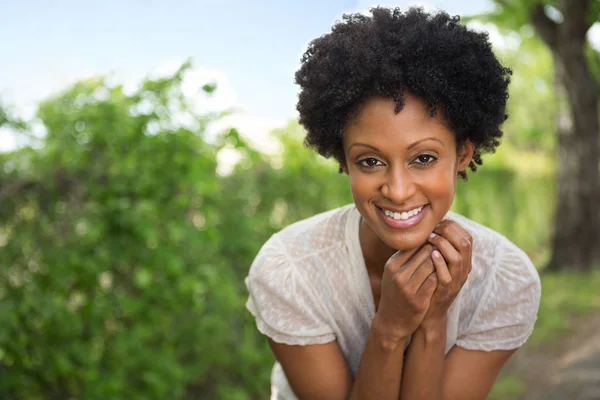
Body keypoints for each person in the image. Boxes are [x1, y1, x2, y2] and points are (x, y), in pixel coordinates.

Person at [245, 6, 541, 400]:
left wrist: (433, 319)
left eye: (423, 158)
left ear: (464, 154)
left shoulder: (504, 282)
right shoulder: (291, 272)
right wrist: (390, 327)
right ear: (343, 161)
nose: (398, 191)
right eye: (370, 161)